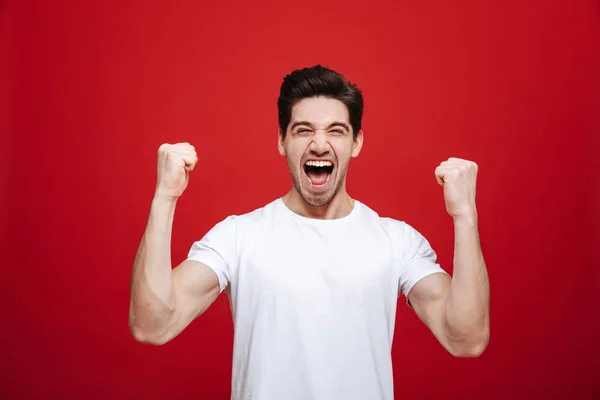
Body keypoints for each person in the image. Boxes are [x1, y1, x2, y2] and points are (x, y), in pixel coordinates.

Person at [128, 65, 490, 400]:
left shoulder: (396, 241)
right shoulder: (238, 237)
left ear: (356, 143)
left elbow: (467, 339)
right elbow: (152, 324)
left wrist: (465, 215)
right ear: (282, 142)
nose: (319, 144)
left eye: (336, 130)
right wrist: (165, 197)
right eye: (303, 130)